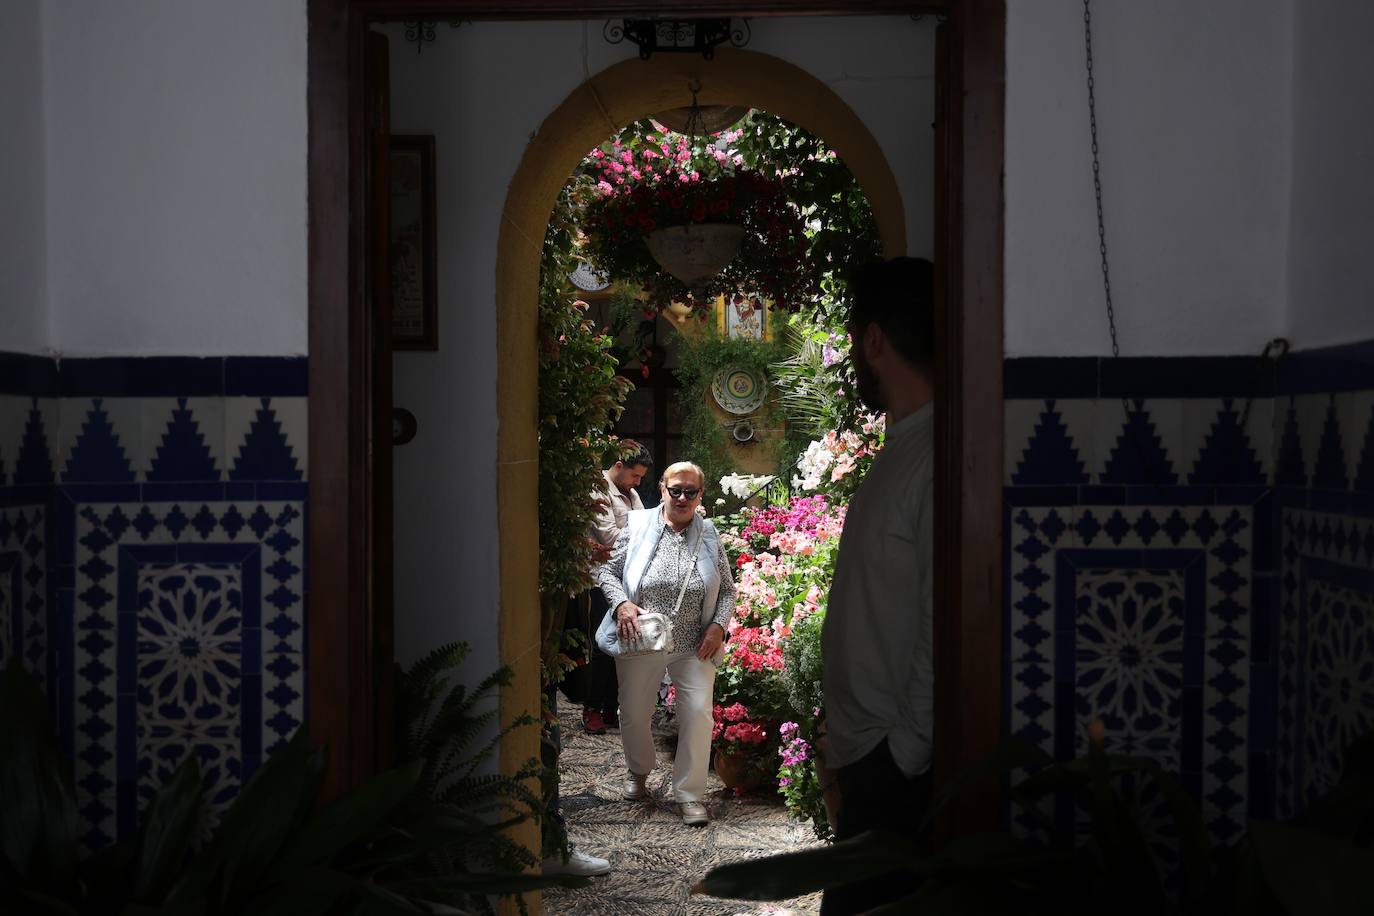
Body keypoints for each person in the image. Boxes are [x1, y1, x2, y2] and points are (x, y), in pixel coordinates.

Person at [819, 257, 936, 915]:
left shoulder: (934, 452)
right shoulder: (910, 444)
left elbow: (938, 621)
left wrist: (902, 755)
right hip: (872, 760)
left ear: (874, 341)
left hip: (895, 771)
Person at [596, 461, 735, 826]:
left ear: (700, 494)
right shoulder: (639, 525)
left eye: (691, 491)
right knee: (634, 712)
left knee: (697, 714)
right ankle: (638, 770)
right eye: (676, 489)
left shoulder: (708, 533)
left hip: (695, 642)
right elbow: (607, 571)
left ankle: (690, 794)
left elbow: (728, 590)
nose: (683, 497)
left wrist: (719, 626)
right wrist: (622, 604)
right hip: (642, 638)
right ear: (662, 488)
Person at [579, 442, 653, 734]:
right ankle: (592, 707)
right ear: (619, 466)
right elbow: (608, 535)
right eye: (635, 475)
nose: (638, 482)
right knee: (602, 645)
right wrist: (645, 536)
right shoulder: (597, 489)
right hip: (600, 578)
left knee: (624, 641)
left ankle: (610, 706)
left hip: (627, 578)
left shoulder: (630, 493)